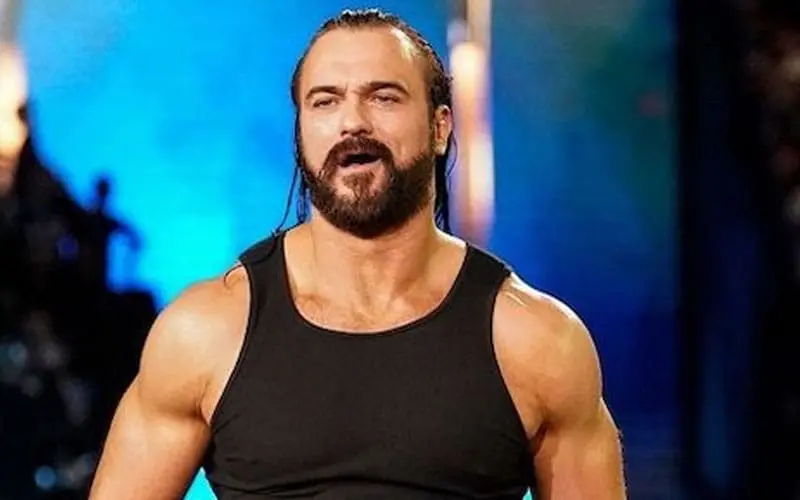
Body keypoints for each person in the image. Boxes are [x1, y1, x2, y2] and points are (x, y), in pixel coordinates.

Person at [89, 8, 625, 500]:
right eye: (325, 101)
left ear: (440, 126)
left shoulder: (537, 341)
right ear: (301, 130)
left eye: (384, 97)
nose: (352, 123)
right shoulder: (204, 332)